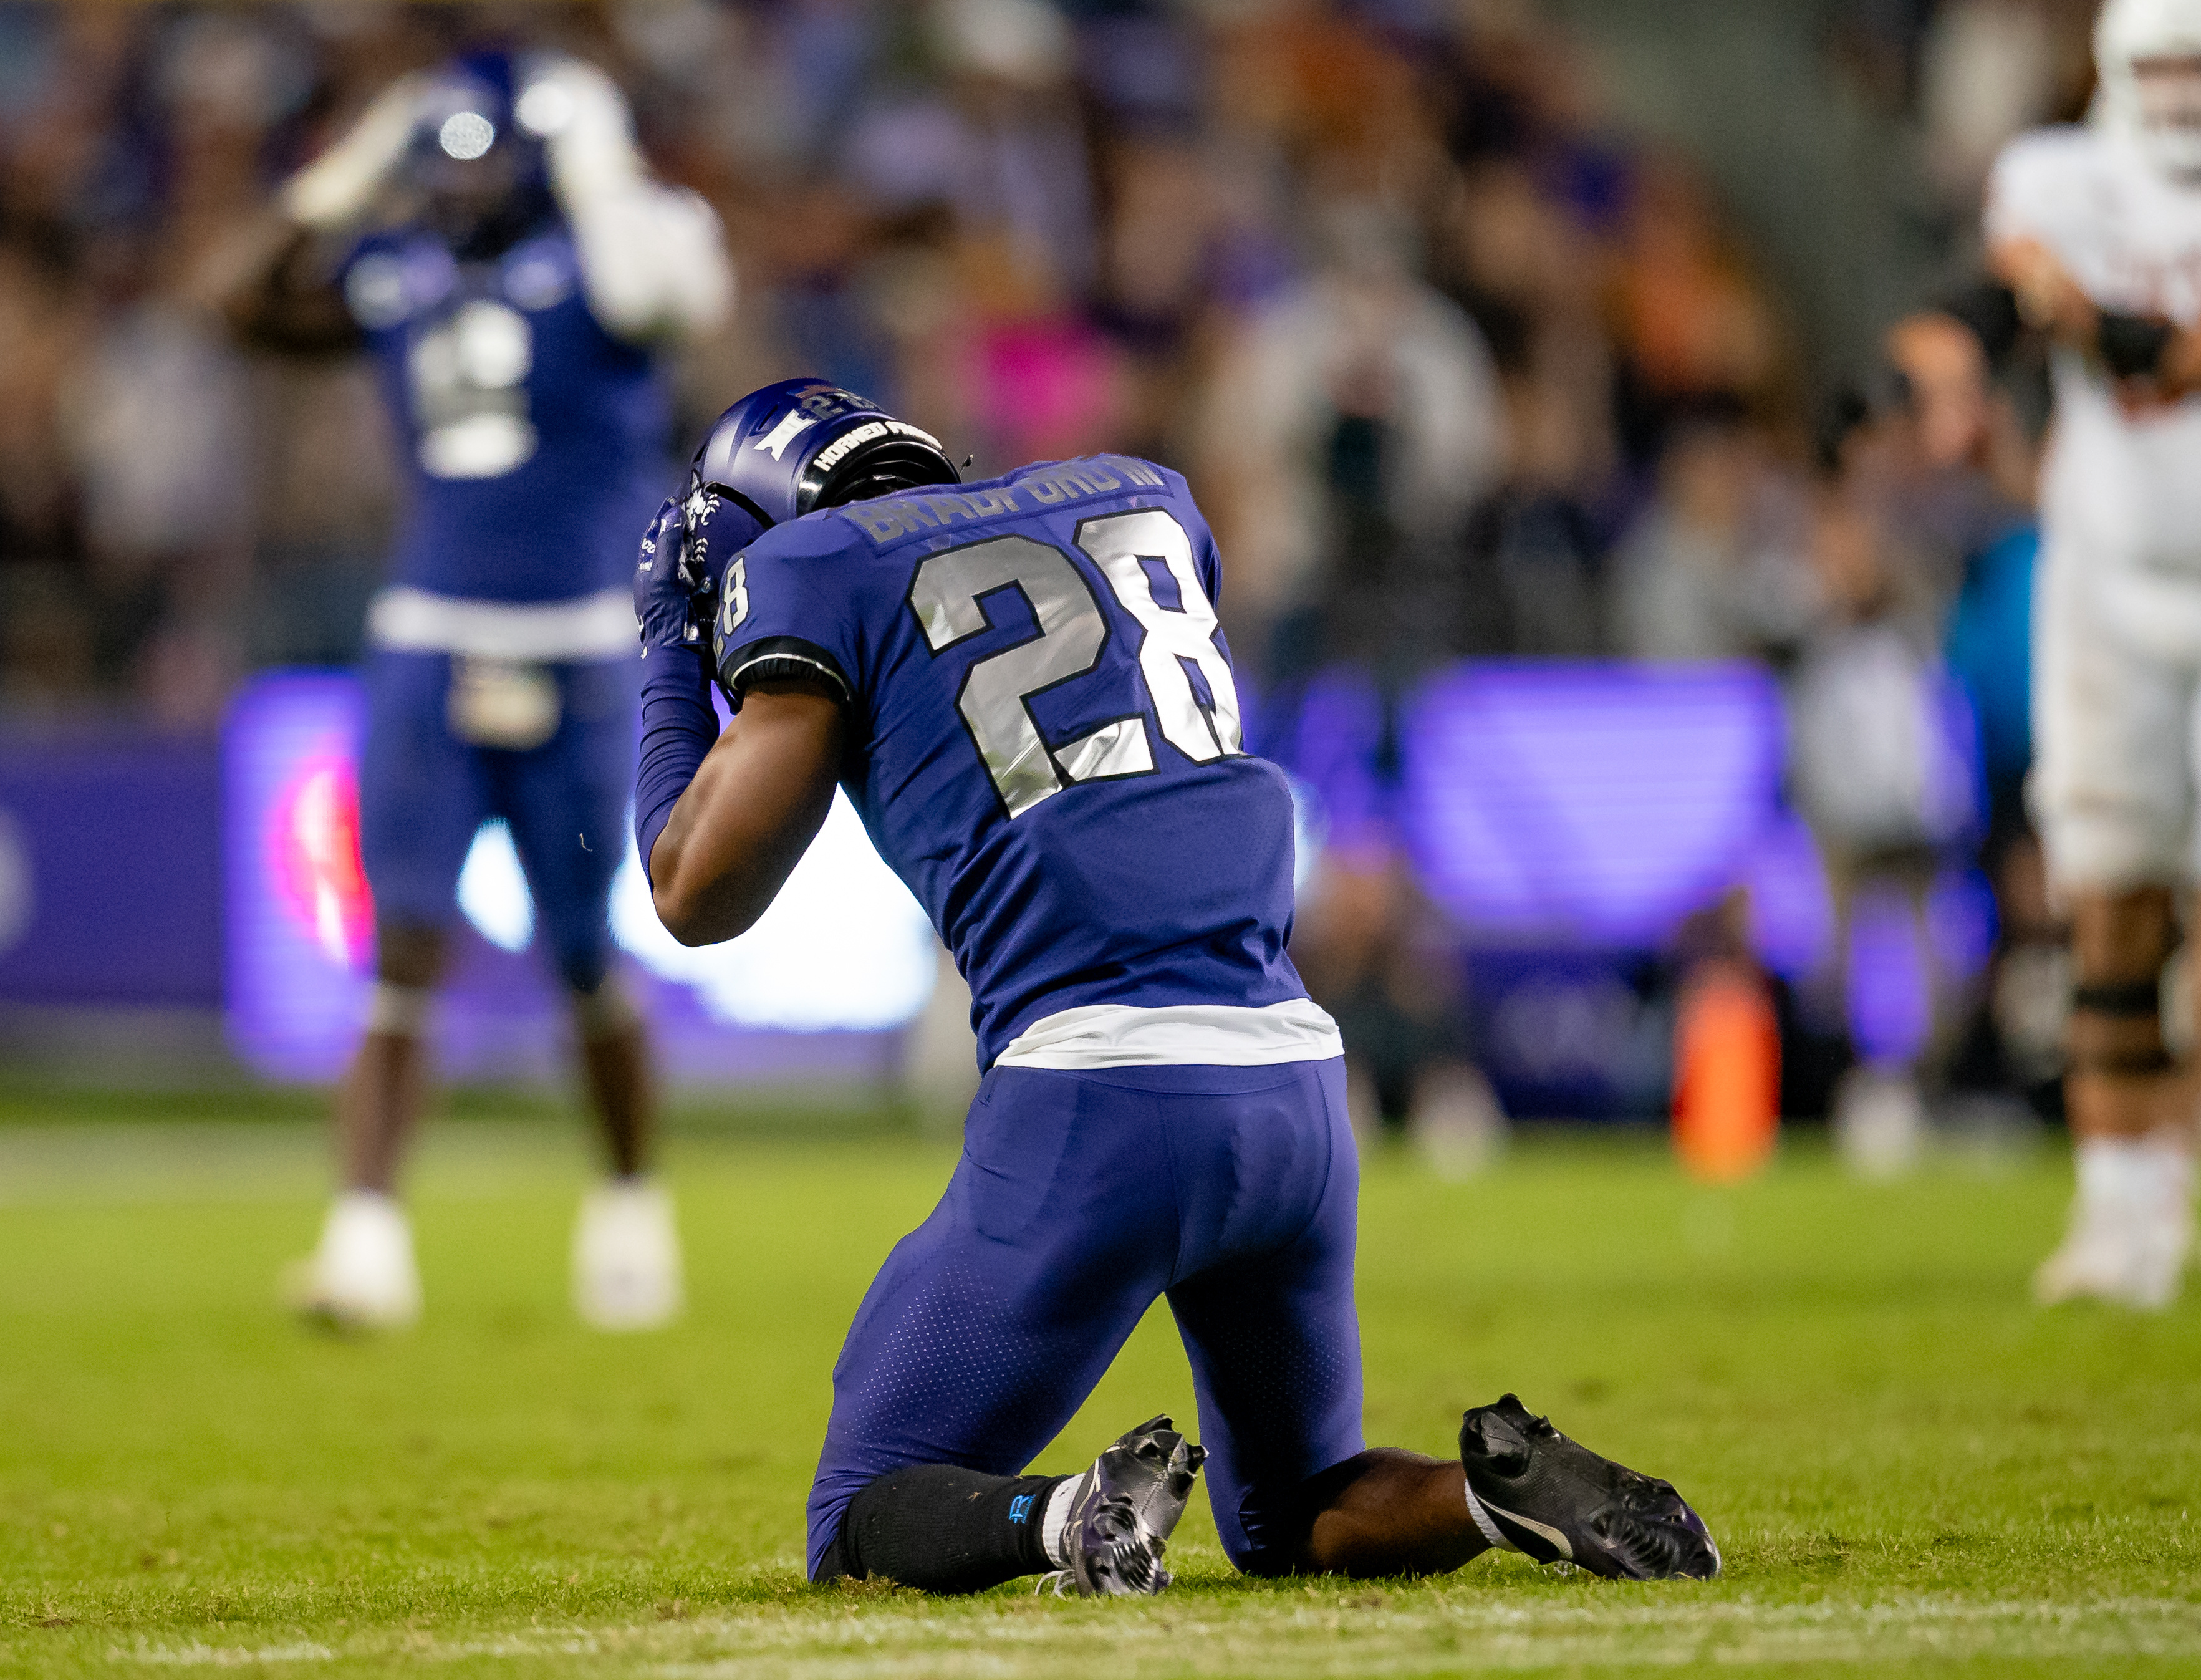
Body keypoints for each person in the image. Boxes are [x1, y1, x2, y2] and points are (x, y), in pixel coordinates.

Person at [630, 377, 1718, 1593]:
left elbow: (691, 889)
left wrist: (669, 659)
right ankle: (1496, 1489)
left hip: (1098, 1097)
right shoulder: (1139, 495)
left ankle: (1075, 1518)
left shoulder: (818, 565)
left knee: (859, 1515)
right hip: (1292, 1077)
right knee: (1293, 1508)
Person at [219, 47, 731, 1331]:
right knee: (404, 941)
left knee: (582, 948)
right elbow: (238, 303)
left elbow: (658, 295)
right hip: (435, 635)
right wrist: (342, 175)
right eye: (438, 169)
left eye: (483, 163)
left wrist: (594, 143)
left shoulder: (614, 251)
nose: (459, 192)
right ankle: (364, 1240)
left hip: (573, 640)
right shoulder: (399, 269)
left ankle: (627, 1204)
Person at [1986, 0, 2201, 1308]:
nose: (2179, 97)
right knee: (2108, 904)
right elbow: (2014, 262)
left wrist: (2104, 321)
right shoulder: (2060, 175)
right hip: (2106, 590)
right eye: (2160, 68)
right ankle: (2119, 1206)